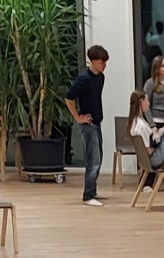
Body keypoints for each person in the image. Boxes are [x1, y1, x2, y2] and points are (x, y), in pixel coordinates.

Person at [65, 45, 110, 207]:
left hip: (97, 123)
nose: (105, 65)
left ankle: (93, 190)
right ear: (94, 62)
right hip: (88, 124)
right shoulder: (84, 79)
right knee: (93, 159)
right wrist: (78, 117)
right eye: (102, 62)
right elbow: (69, 97)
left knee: (99, 156)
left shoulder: (100, 78)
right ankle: (88, 194)